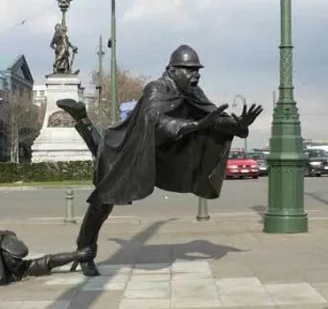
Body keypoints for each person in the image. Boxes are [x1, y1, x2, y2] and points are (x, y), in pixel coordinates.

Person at [57, 44, 263, 277]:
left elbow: (212, 117)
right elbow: (156, 121)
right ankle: (85, 250)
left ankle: (82, 119)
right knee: (104, 197)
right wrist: (194, 125)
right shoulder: (156, 88)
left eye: (197, 70)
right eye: (189, 69)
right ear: (172, 70)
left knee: (106, 183)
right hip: (133, 146)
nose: (195, 75)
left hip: (160, 153)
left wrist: (235, 125)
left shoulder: (194, 92)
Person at [0, 230, 92, 286]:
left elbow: (49, 261)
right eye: (15, 259)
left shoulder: (19, 268)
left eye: (20, 259)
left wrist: (76, 255)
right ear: (2, 256)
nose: (19, 262)